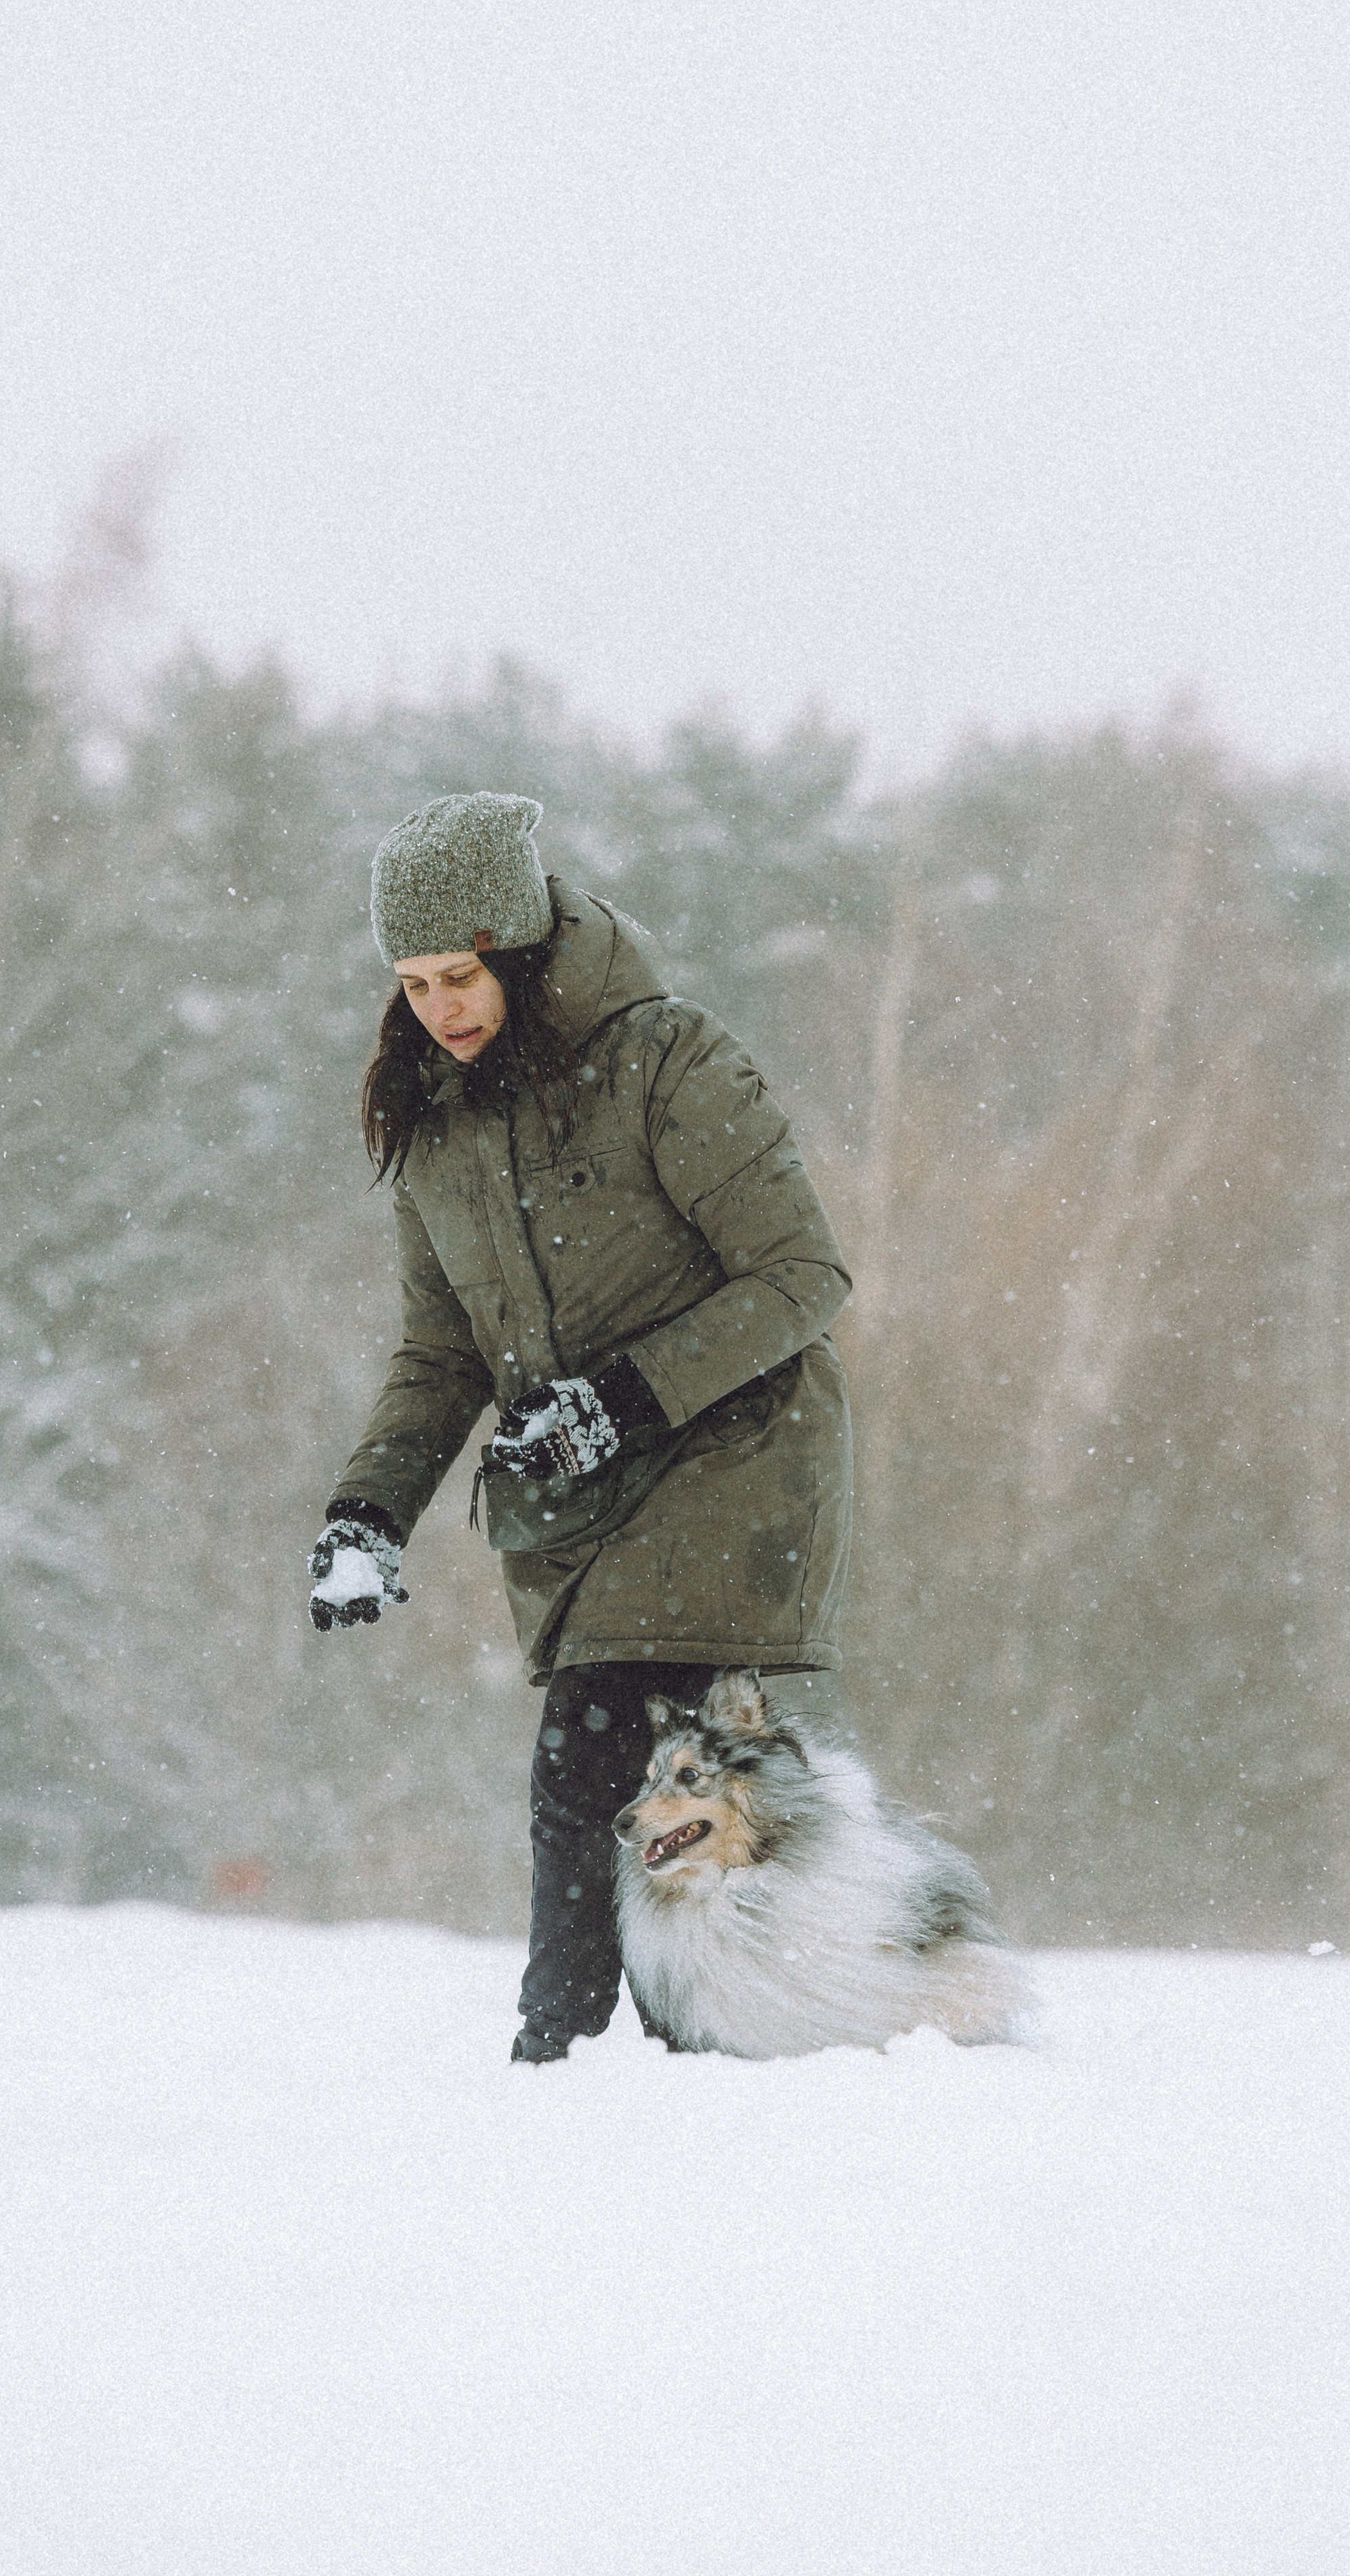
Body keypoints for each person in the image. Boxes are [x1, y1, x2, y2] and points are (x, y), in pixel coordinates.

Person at [307, 791, 853, 2061]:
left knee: (591, 1761)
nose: (440, 1009)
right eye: (413, 984)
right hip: (574, 1499)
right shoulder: (435, 1128)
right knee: (669, 1788)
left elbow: (801, 1277)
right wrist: (367, 1510)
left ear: (521, 945)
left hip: (731, 1457)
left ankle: (567, 2057)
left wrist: (621, 1401)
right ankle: (714, 2038)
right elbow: (442, 1354)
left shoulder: (667, 1058)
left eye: (461, 975)